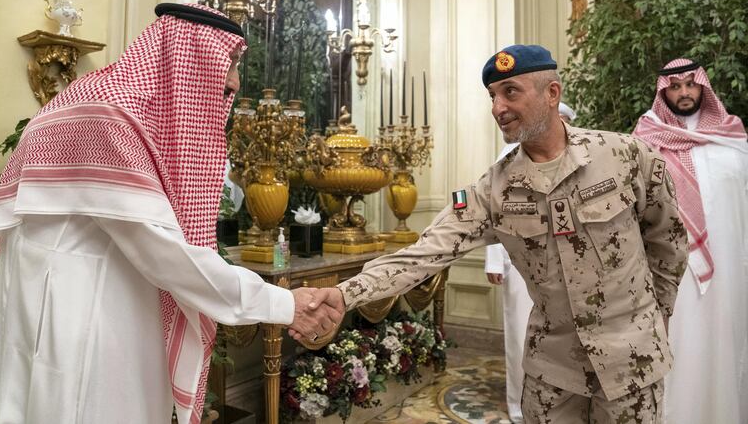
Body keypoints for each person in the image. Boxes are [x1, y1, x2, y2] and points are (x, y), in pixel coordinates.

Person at [0, 3, 342, 424]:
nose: (236, 80)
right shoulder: (112, 114)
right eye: (231, 61)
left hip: (55, 306)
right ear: (193, 56)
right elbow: (167, 255)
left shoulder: (89, 97)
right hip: (83, 321)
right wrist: (284, 304)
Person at [303, 45, 688, 423]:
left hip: (631, 364)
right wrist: (342, 294)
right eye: (492, 96)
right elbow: (423, 254)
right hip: (554, 374)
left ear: (552, 93)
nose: (497, 108)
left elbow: (668, 242)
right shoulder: (494, 189)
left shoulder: (625, 156)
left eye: (510, 92)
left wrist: (654, 318)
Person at [633, 58, 748, 424]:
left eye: (690, 84)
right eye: (675, 86)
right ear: (663, 91)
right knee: (678, 346)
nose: (684, 92)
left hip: (731, 270)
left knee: (726, 346)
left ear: (703, 87)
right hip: (670, 275)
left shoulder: (733, 139)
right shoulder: (646, 141)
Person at [484, 101, 576, 423]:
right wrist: (494, 262)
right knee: (521, 335)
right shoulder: (507, 159)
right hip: (521, 267)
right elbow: (493, 216)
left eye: (564, 121)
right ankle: (518, 406)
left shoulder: (581, 156)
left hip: (569, 269)